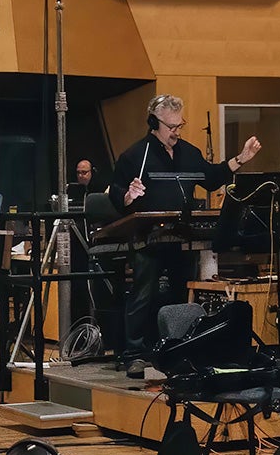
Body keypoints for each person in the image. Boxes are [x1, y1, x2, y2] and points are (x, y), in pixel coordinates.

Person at [108, 94, 259, 380]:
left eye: (180, 125)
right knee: (143, 294)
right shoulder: (134, 156)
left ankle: (179, 349)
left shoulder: (189, 153)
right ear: (154, 123)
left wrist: (241, 159)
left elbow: (212, 177)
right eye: (171, 126)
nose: (177, 131)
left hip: (182, 237)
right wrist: (129, 196)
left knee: (181, 294)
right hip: (147, 238)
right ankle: (135, 354)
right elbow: (117, 194)